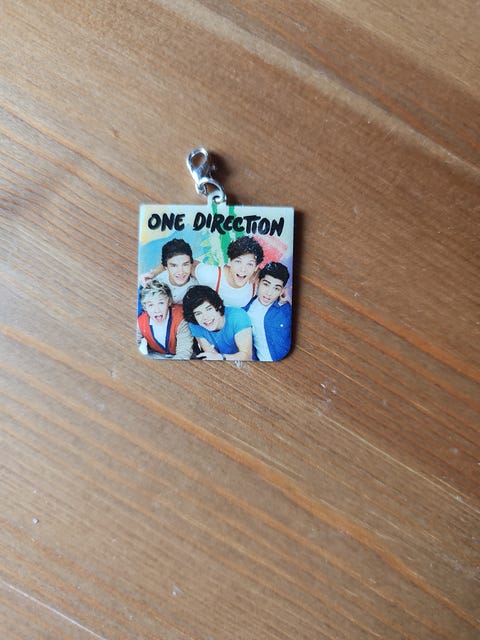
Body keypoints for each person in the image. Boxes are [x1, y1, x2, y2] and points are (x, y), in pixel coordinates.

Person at [182, 285, 253, 361]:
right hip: (221, 364)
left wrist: (221, 357)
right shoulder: (195, 323)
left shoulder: (237, 316)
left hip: (249, 365)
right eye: (198, 313)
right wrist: (218, 358)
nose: (205, 317)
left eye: (209, 309)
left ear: (218, 306)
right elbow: (212, 356)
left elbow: (246, 356)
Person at [194, 235, 264, 307]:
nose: (243, 269)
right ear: (229, 261)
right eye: (238, 261)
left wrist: (260, 272)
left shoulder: (257, 285)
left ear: (256, 267)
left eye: (250, 264)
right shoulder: (210, 275)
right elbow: (190, 263)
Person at [244, 262, 292, 361]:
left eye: (276, 288)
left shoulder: (287, 309)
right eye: (266, 284)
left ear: (282, 290)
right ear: (258, 282)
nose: (269, 293)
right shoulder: (245, 312)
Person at [137, 281, 193, 359]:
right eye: (151, 305)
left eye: (161, 303)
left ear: (169, 302)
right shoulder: (141, 321)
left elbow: (184, 353)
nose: (157, 310)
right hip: (157, 356)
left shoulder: (180, 317)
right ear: (144, 307)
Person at [140, 239, 198, 303]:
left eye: (185, 264)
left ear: (191, 264)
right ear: (166, 267)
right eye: (174, 266)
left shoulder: (197, 285)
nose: (181, 272)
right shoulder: (156, 281)